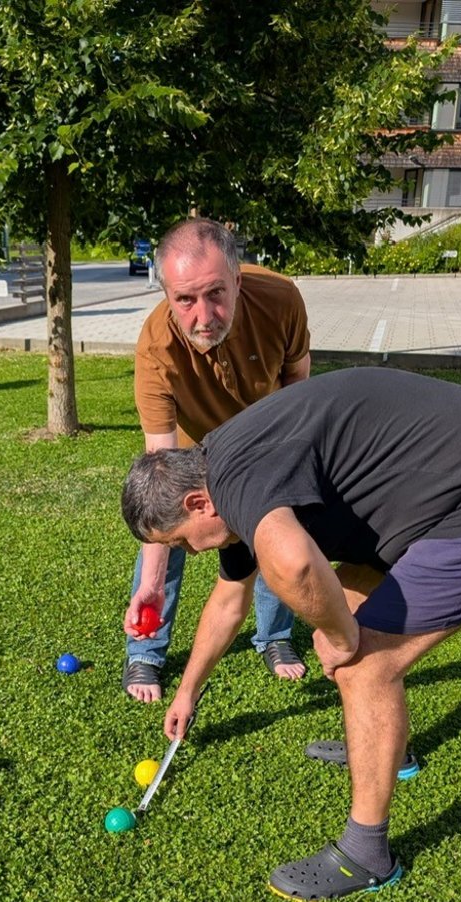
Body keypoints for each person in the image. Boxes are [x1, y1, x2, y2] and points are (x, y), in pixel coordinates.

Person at [121, 367, 461, 902]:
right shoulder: (218, 471)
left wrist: (338, 636)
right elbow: (229, 601)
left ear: (195, 505)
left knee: (364, 664)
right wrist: (187, 691)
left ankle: (367, 855)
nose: (192, 553)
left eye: (180, 543)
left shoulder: (238, 483)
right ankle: (391, 750)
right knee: (348, 597)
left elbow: (293, 566)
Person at [123, 218, 312, 702]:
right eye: (185, 300)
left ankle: (274, 636)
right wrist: (149, 583)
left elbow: (301, 398)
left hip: (268, 432)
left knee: (276, 528)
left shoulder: (281, 300)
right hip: (192, 447)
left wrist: (284, 478)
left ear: (238, 281)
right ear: (166, 294)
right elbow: (162, 477)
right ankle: (146, 652)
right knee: (167, 521)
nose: (203, 314)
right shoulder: (156, 350)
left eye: (216, 294)